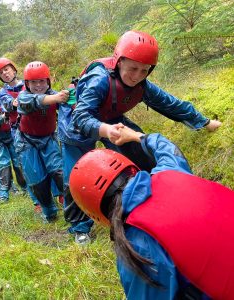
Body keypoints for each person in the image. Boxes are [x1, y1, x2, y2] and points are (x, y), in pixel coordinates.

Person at [62, 30, 222, 243]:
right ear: (119, 62)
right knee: (75, 176)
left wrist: (204, 122)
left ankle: (151, 205)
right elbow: (81, 117)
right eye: (132, 68)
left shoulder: (142, 85)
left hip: (111, 119)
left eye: (144, 70)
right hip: (76, 126)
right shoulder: (99, 79)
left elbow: (171, 104)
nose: (137, 75)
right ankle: (80, 228)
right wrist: (106, 130)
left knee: (142, 154)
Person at [69, 127, 234, 300]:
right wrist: (135, 136)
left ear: (95, 211)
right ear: (132, 169)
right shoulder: (170, 170)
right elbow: (166, 147)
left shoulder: (135, 245)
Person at [0, 57, 62, 206]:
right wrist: (15, 102)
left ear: (13, 69)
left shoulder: (30, 84)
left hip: (45, 130)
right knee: (31, 169)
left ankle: (59, 194)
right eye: (1, 73)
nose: (5, 73)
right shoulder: (3, 92)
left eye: (6, 69)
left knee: (54, 166)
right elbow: (11, 104)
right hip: (20, 131)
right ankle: (38, 202)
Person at [15, 61, 68, 222]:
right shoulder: (23, 96)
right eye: (33, 82)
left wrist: (70, 96)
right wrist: (55, 98)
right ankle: (49, 212)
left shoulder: (55, 94)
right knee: (37, 180)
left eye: (41, 81)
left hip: (49, 139)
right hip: (26, 142)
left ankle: (73, 209)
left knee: (60, 174)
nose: (38, 85)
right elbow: (30, 102)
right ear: (27, 83)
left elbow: (67, 106)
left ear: (48, 81)